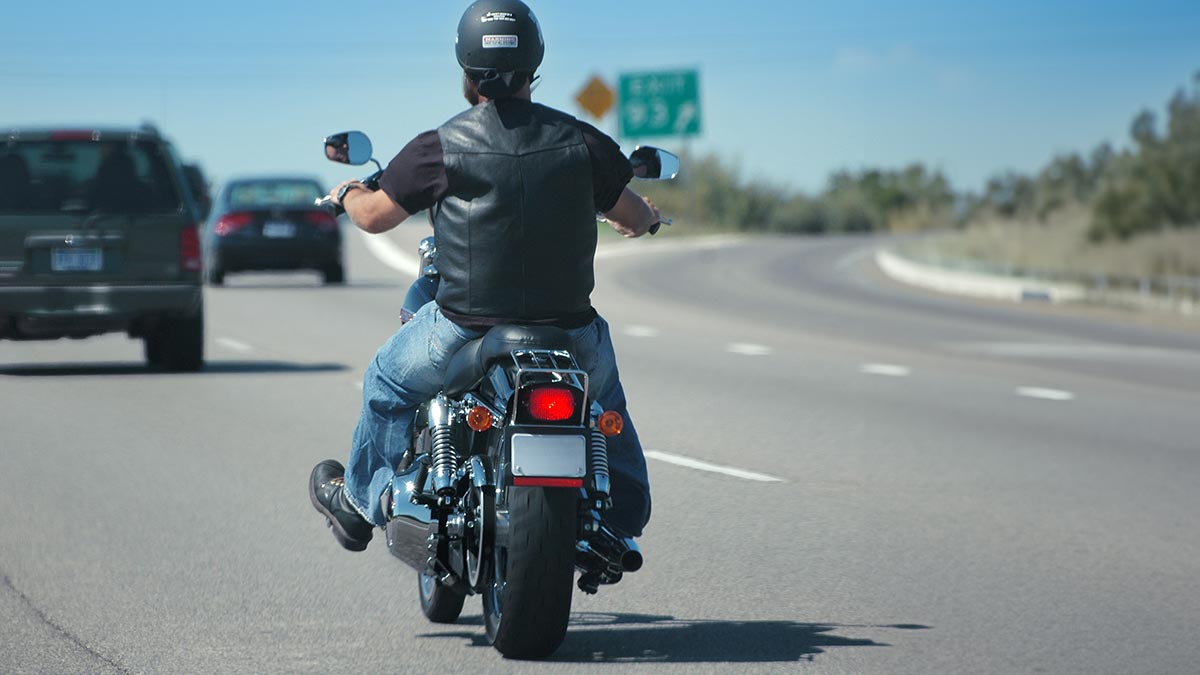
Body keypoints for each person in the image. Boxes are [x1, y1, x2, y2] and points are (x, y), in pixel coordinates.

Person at [309, 0, 662, 553]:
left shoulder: (440, 146)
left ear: (466, 69)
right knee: (606, 404)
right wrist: (648, 219)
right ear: (534, 65)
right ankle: (620, 517)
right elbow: (636, 215)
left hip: (464, 329)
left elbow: (374, 217)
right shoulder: (583, 142)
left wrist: (348, 192)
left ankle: (360, 502)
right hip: (569, 330)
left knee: (384, 381)